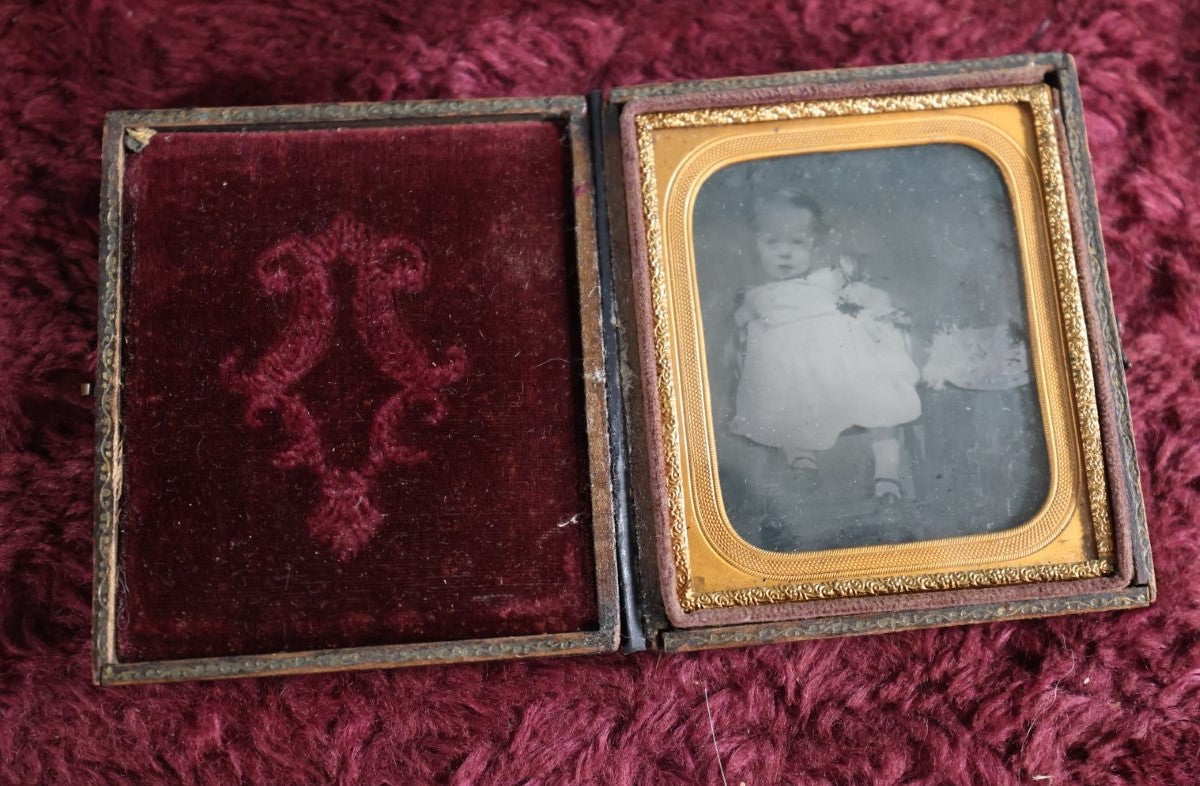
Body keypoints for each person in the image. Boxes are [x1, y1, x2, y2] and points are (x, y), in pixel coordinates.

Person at [729, 190, 921, 502]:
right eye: (772, 243)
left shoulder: (829, 279)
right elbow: (743, 328)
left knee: (882, 392)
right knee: (774, 375)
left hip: (843, 369)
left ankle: (887, 471)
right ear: (756, 246)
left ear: (814, 246)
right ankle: (800, 456)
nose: (785, 254)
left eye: (797, 243)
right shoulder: (756, 295)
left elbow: (866, 298)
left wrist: (874, 308)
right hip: (795, 374)